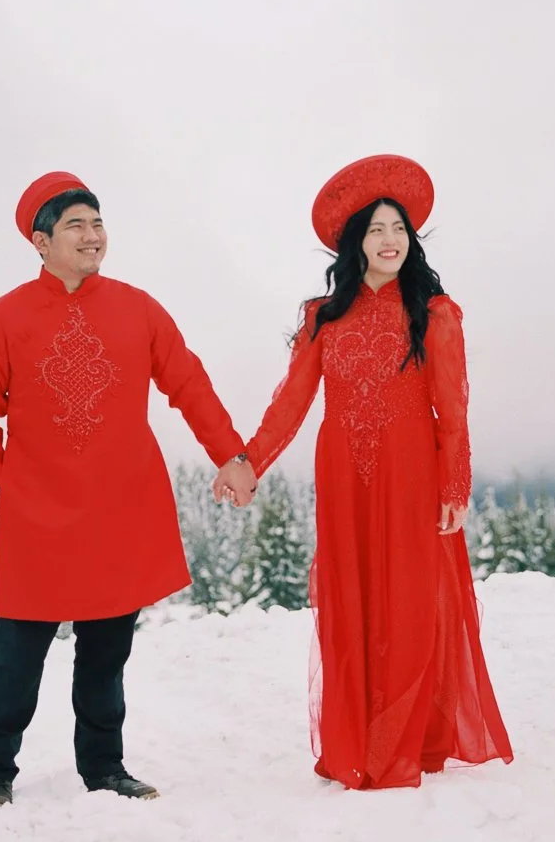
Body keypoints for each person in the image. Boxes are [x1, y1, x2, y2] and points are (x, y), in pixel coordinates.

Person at [215, 155, 512, 789]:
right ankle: (356, 738)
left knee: (408, 603)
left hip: (412, 471)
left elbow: (452, 410)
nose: (389, 240)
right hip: (344, 471)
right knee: (350, 603)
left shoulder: (433, 311)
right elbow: (291, 403)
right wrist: (248, 462)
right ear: (356, 242)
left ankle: (400, 741)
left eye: (398, 229)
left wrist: (454, 484)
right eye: (376, 229)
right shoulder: (323, 315)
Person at [0, 171, 256, 805]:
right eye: (77, 225)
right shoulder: (4, 317)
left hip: (121, 506)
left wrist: (230, 454)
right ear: (41, 241)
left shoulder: (138, 308)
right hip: (36, 507)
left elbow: (189, 383)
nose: (93, 236)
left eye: (98, 223)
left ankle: (103, 767)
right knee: (18, 652)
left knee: (105, 654)